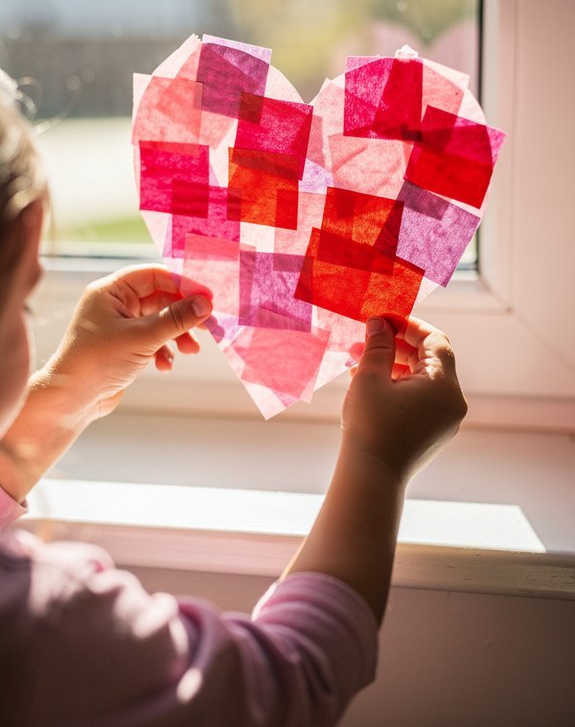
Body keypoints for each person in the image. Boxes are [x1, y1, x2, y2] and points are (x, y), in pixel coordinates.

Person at [0, 73, 467, 726]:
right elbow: (288, 681)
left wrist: (62, 397)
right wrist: (376, 460)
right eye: (22, 301)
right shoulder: (43, 622)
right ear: (27, 232)